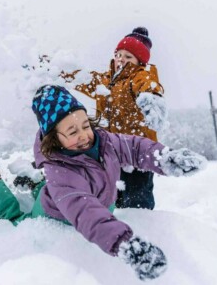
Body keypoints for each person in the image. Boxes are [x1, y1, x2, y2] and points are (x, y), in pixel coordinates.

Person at [30, 85, 206, 280]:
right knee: (11, 214)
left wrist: (165, 158)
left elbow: (135, 148)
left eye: (85, 125)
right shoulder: (60, 172)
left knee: (45, 189)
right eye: (72, 132)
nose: (83, 135)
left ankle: (35, 186)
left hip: (96, 201)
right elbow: (85, 211)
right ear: (54, 139)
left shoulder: (105, 142)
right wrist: (124, 243)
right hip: (60, 217)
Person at [68, 26, 167, 210]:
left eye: (128, 56)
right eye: (119, 54)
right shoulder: (105, 81)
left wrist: (151, 100)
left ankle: (142, 230)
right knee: (113, 200)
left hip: (137, 154)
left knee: (137, 202)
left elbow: (148, 86)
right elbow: (80, 79)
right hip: (111, 153)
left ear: (139, 62)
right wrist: (51, 68)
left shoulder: (140, 76)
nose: (121, 59)